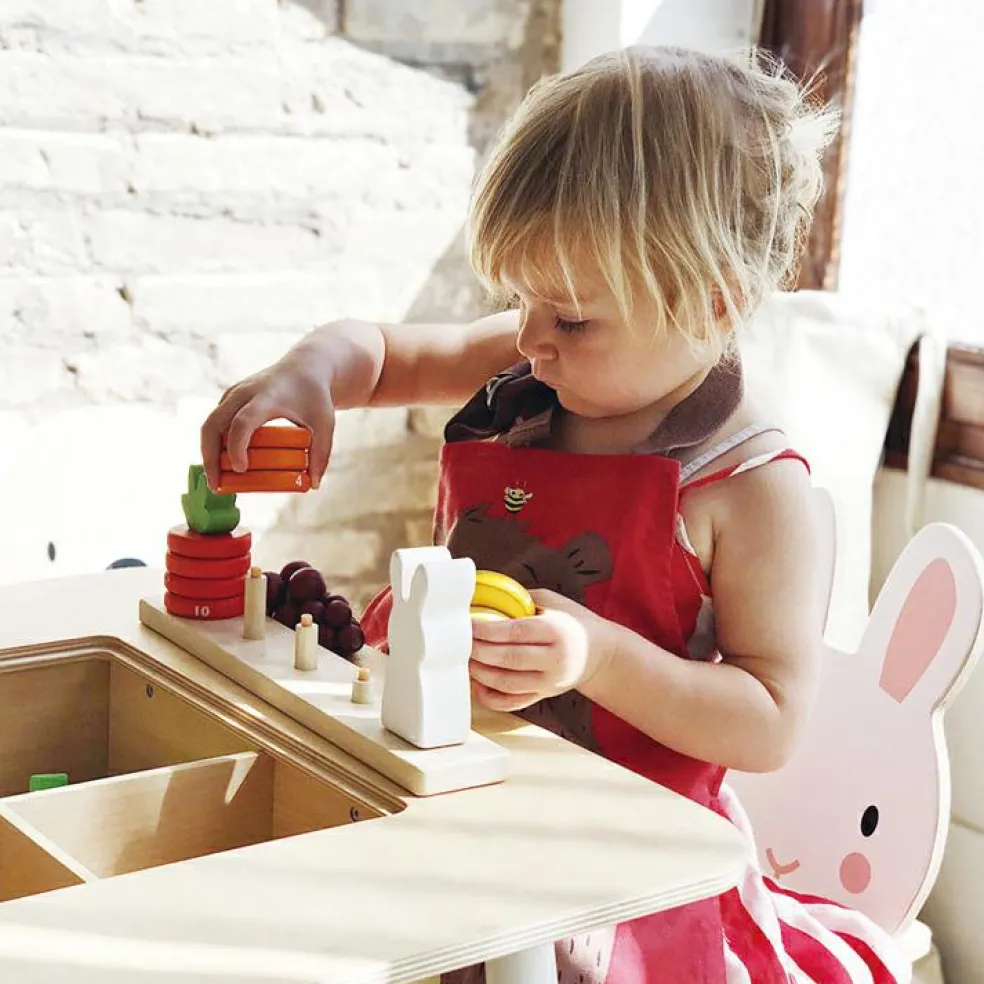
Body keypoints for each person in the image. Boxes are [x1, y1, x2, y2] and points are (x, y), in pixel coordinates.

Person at [201, 45, 910, 984]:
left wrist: (600, 658)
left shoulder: (750, 485)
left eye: (570, 317)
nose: (530, 338)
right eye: (519, 299)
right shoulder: (536, 365)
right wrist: (310, 374)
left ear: (715, 300)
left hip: (623, 868)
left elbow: (770, 720)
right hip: (458, 794)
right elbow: (381, 352)